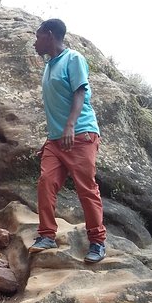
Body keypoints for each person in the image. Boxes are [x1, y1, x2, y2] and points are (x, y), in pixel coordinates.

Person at [29, 19, 107, 263]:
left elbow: (80, 91)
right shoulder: (49, 64)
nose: (35, 41)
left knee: (86, 188)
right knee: (46, 182)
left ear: (49, 35)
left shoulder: (73, 59)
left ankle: (97, 242)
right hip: (56, 139)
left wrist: (70, 125)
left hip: (80, 134)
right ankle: (47, 235)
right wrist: (55, 134)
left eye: (38, 36)